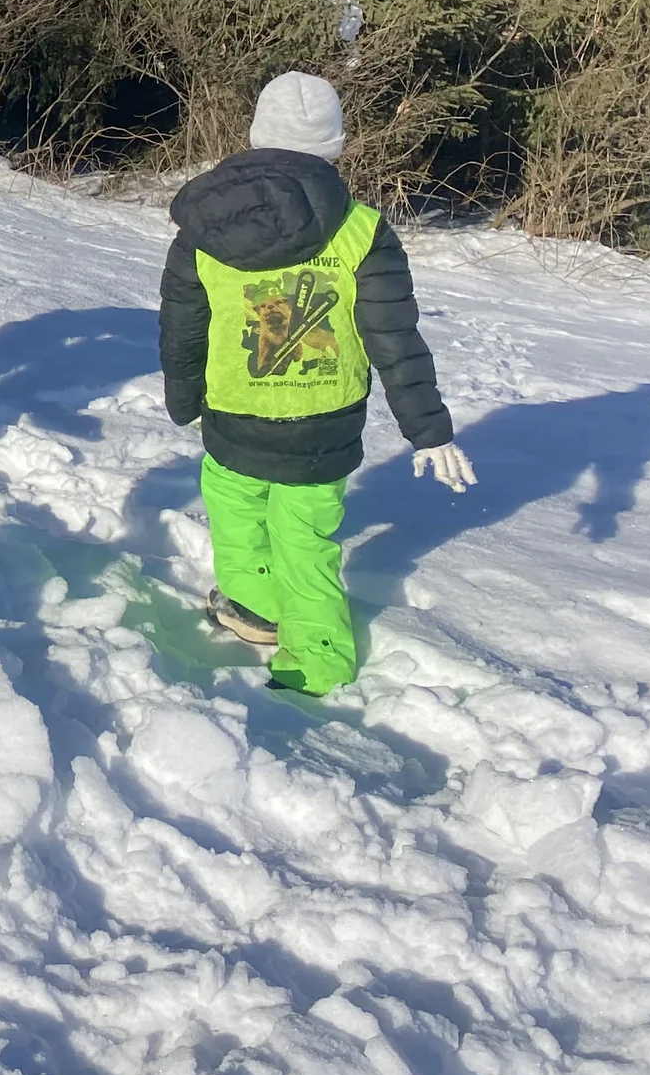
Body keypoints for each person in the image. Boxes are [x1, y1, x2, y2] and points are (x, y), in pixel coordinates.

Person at [157, 72, 475, 696]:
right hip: (323, 422)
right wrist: (428, 430)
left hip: (233, 411)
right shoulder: (362, 230)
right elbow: (394, 337)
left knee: (235, 512)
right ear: (335, 146)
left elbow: (182, 321)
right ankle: (316, 658)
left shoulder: (207, 228)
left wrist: (182, 391)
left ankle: (256, 607)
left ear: (255, 137)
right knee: (305, 539)